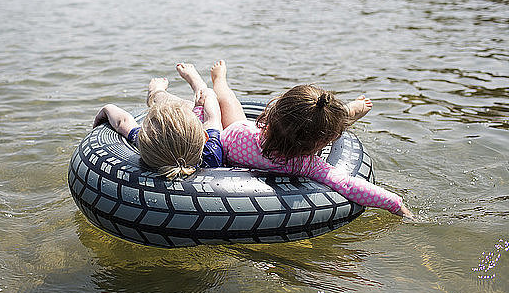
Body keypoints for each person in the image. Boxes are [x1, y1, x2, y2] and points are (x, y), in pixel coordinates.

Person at [210, 60, 413, 218]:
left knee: (227, 101)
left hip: (241, 134)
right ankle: (346, 115)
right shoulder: (306, 165)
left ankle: (219, 79)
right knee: (323, 125)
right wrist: (395, 204)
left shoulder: (238, 137)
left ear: (272, 114)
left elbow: (213, 140)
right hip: (282, 136)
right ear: (320, 145)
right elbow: (350, 185)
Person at [93, 64, 223, 180]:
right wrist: (209, 93)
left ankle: (155, 93)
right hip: (197, 112)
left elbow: (123, 122)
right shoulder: (211, 154)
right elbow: (213, 117)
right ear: (204, 136)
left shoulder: (151, 146)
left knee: (177, 106)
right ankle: (198, 86)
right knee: (193, 105)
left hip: (188, 122)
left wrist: (107, 108)